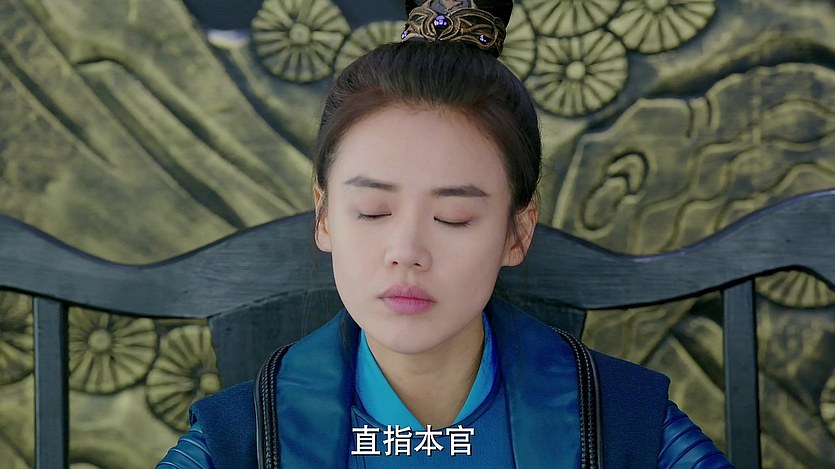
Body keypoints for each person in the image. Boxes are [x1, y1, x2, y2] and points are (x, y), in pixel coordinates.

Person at [158, 1, 733, 467]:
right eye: (373, 212)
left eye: (454, 218)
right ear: (324, 216)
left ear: (517, 233)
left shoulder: (626, 424)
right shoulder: (237, 440)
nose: (407, 252)